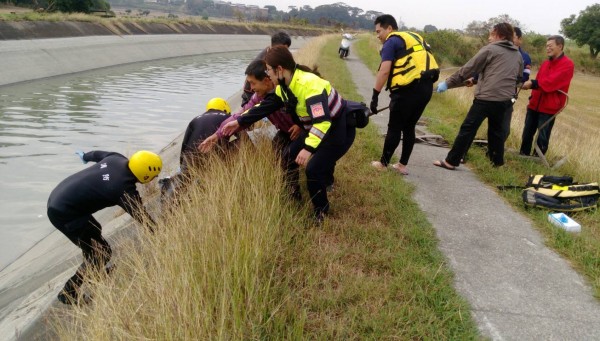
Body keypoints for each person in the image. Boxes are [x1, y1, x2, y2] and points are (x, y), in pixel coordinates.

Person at [220, 45, 360, 223]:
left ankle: (321, 212)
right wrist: (239, 121)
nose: (268, 75)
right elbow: (265, 107)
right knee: (287, 158)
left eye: (269, 70)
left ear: (279, 70)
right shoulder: (283, 87)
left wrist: (308, 148)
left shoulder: (310, 86)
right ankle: (294, 197)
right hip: (314, 129)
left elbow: (322, 121)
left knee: (313, 169)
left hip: (336, 129)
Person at [47, 150, 162, 304]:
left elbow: (95, 155)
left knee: (94, 232)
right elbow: (143, 219)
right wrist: (162, 235)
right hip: (64, 213)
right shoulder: (123, 189)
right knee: (101, 252)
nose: (156, 178)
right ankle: (68, 293)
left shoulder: (117, 159)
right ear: (146, 175)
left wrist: (84, 157)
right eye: (155, 175)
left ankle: (97, 271)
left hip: (59, 198)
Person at [200, 60, 304, 199]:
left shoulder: (286, 89)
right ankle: (292, 191)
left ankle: (319, 183)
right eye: (249, 82)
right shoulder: (258, 97)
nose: (251, 87)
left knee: (301, 159)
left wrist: (300, 125)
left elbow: (306, 106)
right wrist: (217, 135)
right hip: (287, 132)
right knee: (279, 148)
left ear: (267, 81)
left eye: (253, 83)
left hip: (308, 128)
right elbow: (241, 115)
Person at [433, 22, 523, 170]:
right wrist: (481, 80)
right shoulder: (517, 54)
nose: (489, 38)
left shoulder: (490, 49)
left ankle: (451, 161)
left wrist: (448, 83)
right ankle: (497, 164)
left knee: (468, 129)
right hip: (505, 101)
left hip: (486, 99)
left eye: (491, 34)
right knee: (497, 133)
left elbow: (467, 69)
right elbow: (518, 79)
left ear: (499, 35)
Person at [369, 14, 439, 175]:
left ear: (389, 28)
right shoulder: (414, 37)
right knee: (409, 126)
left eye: (379, 31)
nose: (378, 35)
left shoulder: (391, 42)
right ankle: (402, 165)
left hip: (407, 90)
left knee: (394, 126)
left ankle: (383, 164)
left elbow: (384, 70)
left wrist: (375, 95)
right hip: (426, 88)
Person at [460, 26, 532, 162]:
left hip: (506, 99)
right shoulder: (493, 50)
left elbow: (522, 78)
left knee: (501, 130)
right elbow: (483, 69)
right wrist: (474, 79)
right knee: (471, 126)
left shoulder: (523, 57)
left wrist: (504, 81)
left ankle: (493, 158)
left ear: (519, 40)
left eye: (514, 37)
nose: (511, 39)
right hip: (486, 96)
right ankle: (461, 154)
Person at [519, 35, 574, 156]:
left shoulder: (568, 64)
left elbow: (552, 82)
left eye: (550, 46)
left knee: (543, 136)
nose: (547, 49)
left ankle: (537, 159)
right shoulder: (545, 64)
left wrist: (532, 83)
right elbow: (539, 81)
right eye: (546, 46)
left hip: (549, 107)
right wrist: (532, 96)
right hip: (534, 104)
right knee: (527, 132)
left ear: (560, 46)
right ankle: (523, 156)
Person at [179, 97, 233, 173]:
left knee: (184, 181)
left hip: (190, 157)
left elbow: (184, 144)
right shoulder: (228, 117)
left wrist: (182, 166)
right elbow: (242, 135)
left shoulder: (195, 119)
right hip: (214, 157)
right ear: (225, 108)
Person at [241, 31, 292, 107]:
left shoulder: (279, 58)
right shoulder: (261, 61)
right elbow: (249, 84)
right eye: (285, 49)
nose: (286, 52)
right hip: (252, 98)